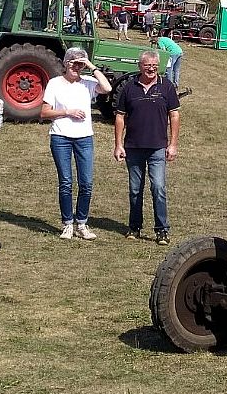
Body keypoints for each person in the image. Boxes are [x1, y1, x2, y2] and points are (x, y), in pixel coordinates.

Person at [40, 48, 112, 240]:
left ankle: (82, 222)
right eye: (72, 63)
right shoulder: (54, 84)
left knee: (86, 183)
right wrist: (67, 112)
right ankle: (67, 224)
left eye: (79, 64)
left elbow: (107, 88)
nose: (76, 67)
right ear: (65, 64)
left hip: (84, 137)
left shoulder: (88, 83)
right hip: (61, 137)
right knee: (66, 182)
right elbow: (44, 112)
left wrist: (90, 66)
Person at [114, 50, 181, 246]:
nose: (151, 69)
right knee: (135, 189)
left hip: (157, 148)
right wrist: (118, 144)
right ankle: (135, 227)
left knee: (158, 188)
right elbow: (120, 117)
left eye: (154, 65)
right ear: (140, 66)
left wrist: (173, 144)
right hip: (133, 147)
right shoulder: (129, 87)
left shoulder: (167, 87)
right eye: (147, 65)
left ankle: (162, 230)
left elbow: (174, 115)